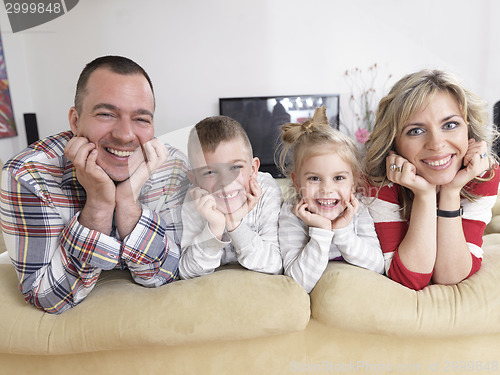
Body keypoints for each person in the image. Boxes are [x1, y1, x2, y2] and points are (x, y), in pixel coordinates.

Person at [0, 56, 189, 313]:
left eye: (141, 119)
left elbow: (164, 274)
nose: (125, 135)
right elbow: (48, 297)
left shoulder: (173, 165)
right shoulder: (28, 175)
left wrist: (128, 203)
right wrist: (98, 205)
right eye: (107, 114)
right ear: (76, 121)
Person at [364, 69, 500, 290]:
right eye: (416, 131)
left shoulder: (483, 173)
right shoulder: (379, 180)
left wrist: (451, 191)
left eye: (450, 125)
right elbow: (410, 278)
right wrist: (425, 195)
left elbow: (450, 275)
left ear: (468, 129)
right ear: (394, 143)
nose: (436, 144)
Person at [277, 106, 384, 293]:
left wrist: (343, 231)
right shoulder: (291, 213)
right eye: (314, 178)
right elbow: (298, 283)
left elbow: (377, 266)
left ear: (354, 181)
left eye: (339, 178)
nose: (327, 189)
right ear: (296, 181)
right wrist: (322, 231)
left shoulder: (358, 209)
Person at [179, 115, 282, 279]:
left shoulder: (267, 190)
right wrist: (215, 227)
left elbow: (274, 265)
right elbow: (187, 272)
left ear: (253, 169)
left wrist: (234, 224)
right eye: (210, 172)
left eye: (235, 167)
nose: (226, 182)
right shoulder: (195, 200)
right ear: (195, 180)